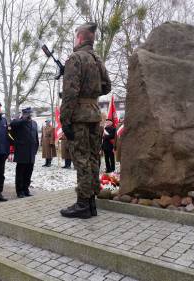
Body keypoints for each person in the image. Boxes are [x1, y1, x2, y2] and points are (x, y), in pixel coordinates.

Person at [59, 22, 112, 219]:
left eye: (75, 37)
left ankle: (83, 204)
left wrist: (65, 120)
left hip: (79, 118)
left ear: (80, 38)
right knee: (92, 158)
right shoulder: (97, 59)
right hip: (94, 115)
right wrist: (92, 93)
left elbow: (70, 93)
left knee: (81, 159)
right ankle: (90, 204)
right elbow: (107, 86)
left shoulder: (75, 58)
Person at [10, 107, 39, 198]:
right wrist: (23, 119)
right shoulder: (18, 122)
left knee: (28, 172)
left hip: (31, 152)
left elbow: (36, 137)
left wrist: (35, 148)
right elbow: (12, 125)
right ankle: (20, 191)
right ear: (24, 114)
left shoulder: (34, 123)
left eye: (30, 114)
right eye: (27, 114)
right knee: (20, 173)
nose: (29, 116)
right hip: (22, 152)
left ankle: (26, 189)